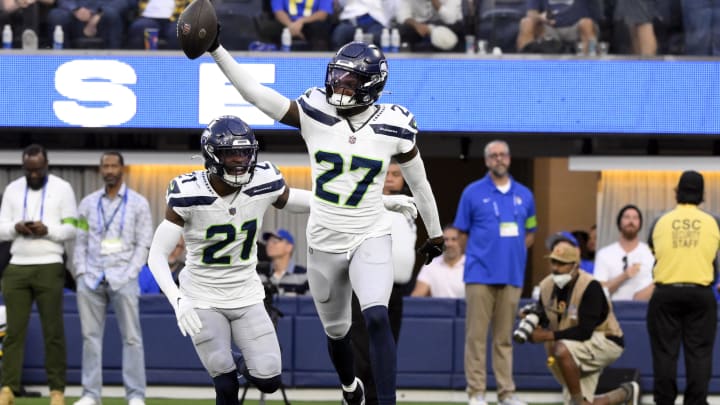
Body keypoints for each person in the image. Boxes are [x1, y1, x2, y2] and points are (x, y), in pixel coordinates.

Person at [205, 36, 444, 405]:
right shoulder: (315, 108)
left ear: (371, 86)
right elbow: (255, 94)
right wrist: (217, 48)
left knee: (378, 316)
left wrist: (436, 231)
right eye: (338, 77)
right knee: (337, 335)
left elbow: (420, 182)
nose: (339, 86)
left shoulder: (395, 123)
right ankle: (350, 387)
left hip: (370, 233)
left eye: (350, 81)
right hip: (324, 239)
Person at [146, 115, 315, 404]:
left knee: (269, 380)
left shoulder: (264, 180)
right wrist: (177, 300)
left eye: (245, 152)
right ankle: (226, 363)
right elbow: (157, 255)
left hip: (247, 295)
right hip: (201, 296)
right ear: (212, 156)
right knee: (224, 382)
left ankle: (238, 361)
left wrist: (373, 203)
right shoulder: (188, 191)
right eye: (230, 153)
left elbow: (304, 200)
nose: (239, 160)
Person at [454, 139, 536, 405]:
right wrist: (484, 255)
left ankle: (506, 394)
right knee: (476, 337)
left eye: (503, 155)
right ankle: (476, 393)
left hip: (512, 275)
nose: (499, 159)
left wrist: (511, 255)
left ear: (509, 159)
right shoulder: (472, 192)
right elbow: (462, 234)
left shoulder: (526, 195)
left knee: (504, 339)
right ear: (487, 161)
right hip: (479, 275)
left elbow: (531, 233)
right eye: (494, 155)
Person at [72, 152, 152, 405]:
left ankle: (136, 395)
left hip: (123, 277)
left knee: (132, 338)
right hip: (92, 277)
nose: (109, 170)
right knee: (90, 338)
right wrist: (81, 273)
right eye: (105, 166)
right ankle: (90, 394)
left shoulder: (138, 203)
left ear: (122, 169)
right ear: (100, 170)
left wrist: (131, 272)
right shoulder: (87, 203)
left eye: (113, 166)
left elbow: (144, 243)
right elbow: (79, 241)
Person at [0, 144, 77, 405]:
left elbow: (72, 228)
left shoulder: (62, 188)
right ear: (24, 166)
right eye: (29, 170)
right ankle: (7, 389)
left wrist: (48, 230)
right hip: (17, 264)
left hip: (49, 263)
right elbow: (1, 229)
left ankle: (57, 391)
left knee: (52, 331)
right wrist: (16, 227)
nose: (33, 175)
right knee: (13, 333)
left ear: (47, 165)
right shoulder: (12, 189)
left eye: (38, 170)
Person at [524, 235, 639, 405]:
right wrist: (533, 324)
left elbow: (584, 332)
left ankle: (578, 401)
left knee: (561, 349)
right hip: (574, 346)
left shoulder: (590, 286)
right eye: (553, 262)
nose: (555, 268)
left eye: (561, 264)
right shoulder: (546, 286)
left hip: (606, 340)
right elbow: (544, 316)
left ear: (575, 266)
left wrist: (546, 336)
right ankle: (625, 393)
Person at [646, 170, 720, 405]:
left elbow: (654, 251)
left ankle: (665, 401)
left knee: (664, 354)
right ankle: (696, 402)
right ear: (702, 195)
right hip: (701, 293)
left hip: (666, 293)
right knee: (699, 354)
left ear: (677, 193)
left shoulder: (660, 220)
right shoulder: (714, 221)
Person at [349, 158, 417, 405]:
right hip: (366, 287)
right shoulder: (365, 204)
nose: (390, 177)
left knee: (387, 349)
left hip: (396, 290)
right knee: (362, 350)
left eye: (396, 174)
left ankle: (380, 399)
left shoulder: (409, 208)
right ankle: (356, 398)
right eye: (386, 173)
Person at [593, 204, 654, 301]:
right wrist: (624, 276)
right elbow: (598, 290)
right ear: (619, 223)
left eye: (635, 218)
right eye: (627, 217)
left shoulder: (651, 253)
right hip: (612, 311)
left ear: (640, 224)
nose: (631, 221)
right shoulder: (604, 254)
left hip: (644, 310)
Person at [516, 0, 600, 54]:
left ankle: (590, 67)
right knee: (526, 23)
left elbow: (596, 15)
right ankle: (524, 67)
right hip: (548, 29)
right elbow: (531, 13)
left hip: (575, 28)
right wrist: (540, 17)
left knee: (587, 23)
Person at [46, 0, 128, 48]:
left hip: (104, 17)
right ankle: (60, 60)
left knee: (111, 15)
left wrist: (99, 13)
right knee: (56, 16)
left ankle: (113, 61)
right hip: (73, 16)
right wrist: (75, 9)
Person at [411, 224, 464, 298]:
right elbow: (417, 296)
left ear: (461, 242)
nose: (449, 244)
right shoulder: (431, 265)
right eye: (446, 240)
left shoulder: (471, 265)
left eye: (454, 239)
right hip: (438, 309)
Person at [256, 0, 334, 50]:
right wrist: (291, 26)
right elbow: (278, 11)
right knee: (268, 29)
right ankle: (269, 56)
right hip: (287, 22)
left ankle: (319, 60)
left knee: (320, 28)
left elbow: (323, 14)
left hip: (310, 22)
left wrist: (300, 22)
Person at [396, 0, 464, 52]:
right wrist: (416, 25)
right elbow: (403, 16)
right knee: (403, 30)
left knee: (456, 28)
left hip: (446, 27)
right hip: (420, 28)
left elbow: (450, 19)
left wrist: (434, 1)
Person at [330, 0, 396, 50]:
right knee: (339, 34)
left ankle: (376, 64)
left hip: (375, 22)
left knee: (377, 36)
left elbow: (392, 7)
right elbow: (342, 3)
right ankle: (338, 64)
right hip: (352, 21)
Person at [126, 0, 191, 49]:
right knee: (138, 27)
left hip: (176, 18)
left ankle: (173, 64)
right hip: (149, 17)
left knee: (177, 31)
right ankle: (141, 63)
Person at [260, 228, 308, 295]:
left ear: (289, 247)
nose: (269, 244)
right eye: (268, 241)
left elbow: (310, 304)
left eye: (275, 241)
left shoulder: (304, 276)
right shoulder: (259, 274)